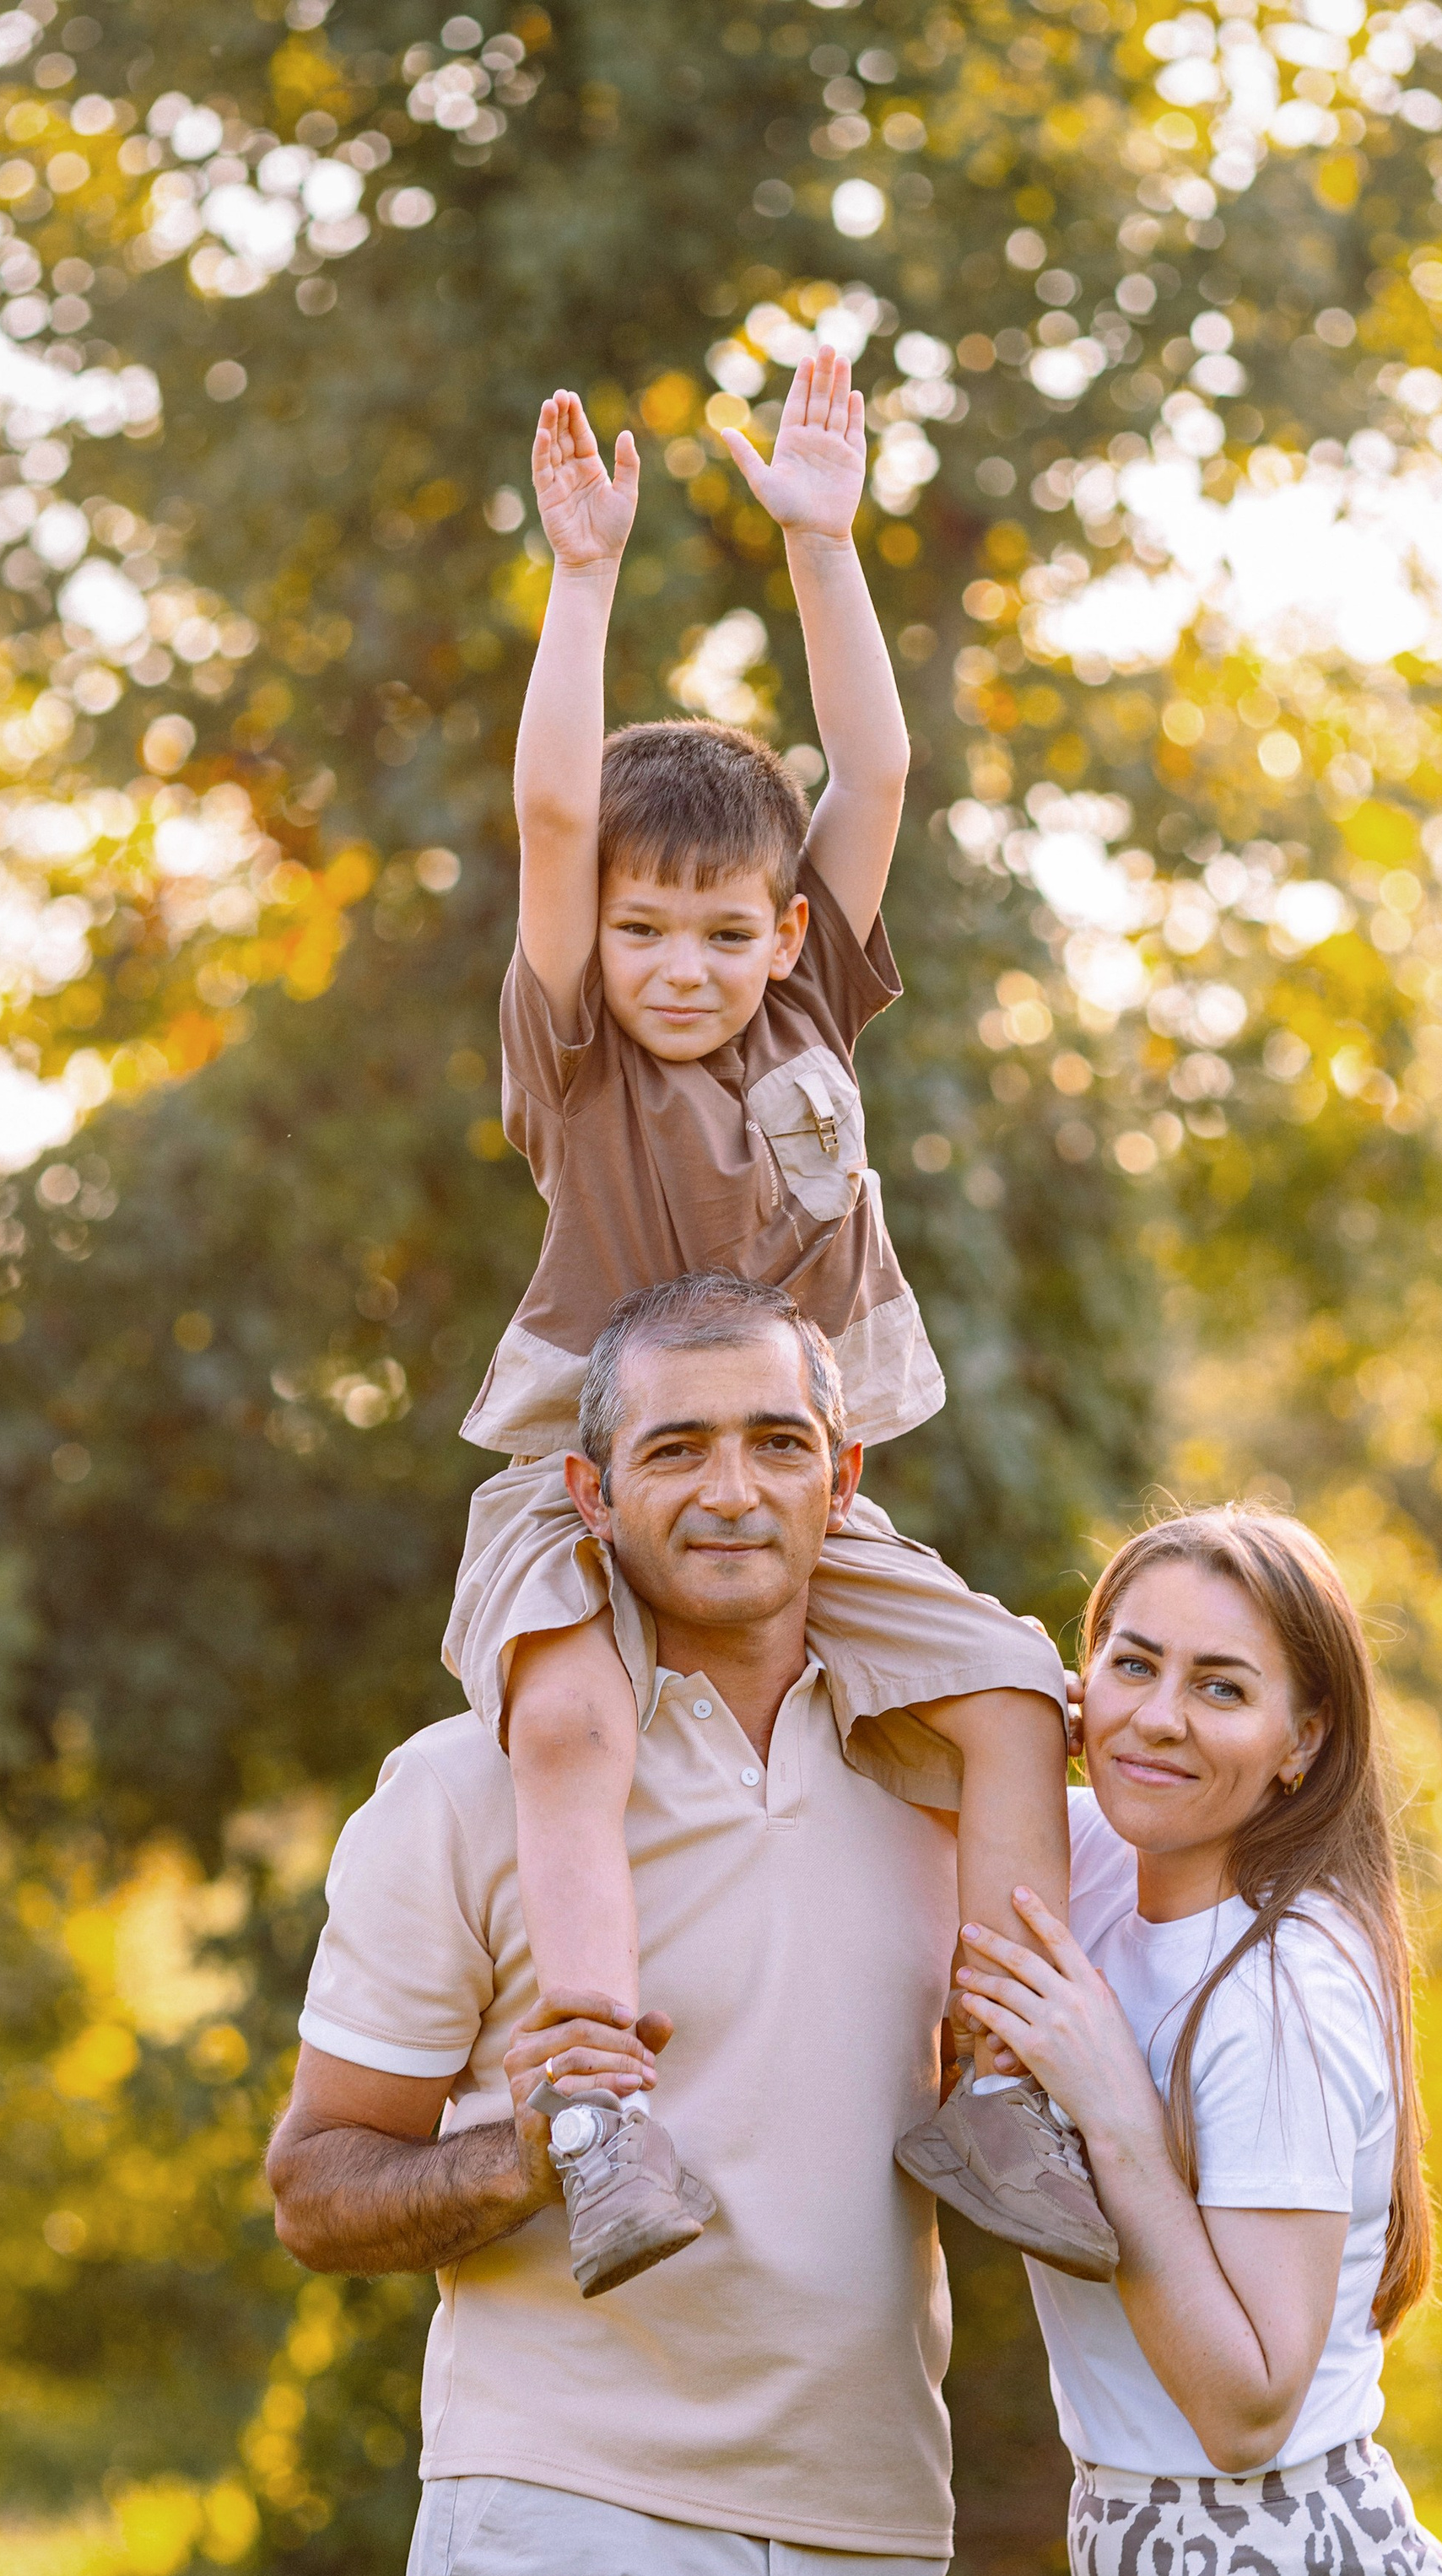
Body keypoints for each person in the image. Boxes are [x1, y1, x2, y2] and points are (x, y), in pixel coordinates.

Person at [439, 342, 1113, 2291]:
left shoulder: (806, 1004)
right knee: (562, 1706)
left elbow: (877, 770)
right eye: (650, 931)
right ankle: (599, 2108)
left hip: (794, 1489)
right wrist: (582, 587)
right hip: (594, 1471)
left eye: (724, 930)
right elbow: (557, 821)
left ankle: (988, 2081)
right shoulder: (569, 1046)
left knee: (1006, 1695)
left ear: (787, 935)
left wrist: (821, 545)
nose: (680, 964)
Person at [267, 1279, 971, 2576]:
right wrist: (513, 2154)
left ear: (842, 1475)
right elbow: (314, 2184)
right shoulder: (461, 1785)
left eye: (773, 1443)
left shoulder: (956, 1787)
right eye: (674, 1446)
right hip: (563, 2530)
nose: (728, 1488)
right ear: (588, 1493)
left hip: (870, 2533)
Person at [950, 1508, 1442, 2576]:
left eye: (1222, 1686)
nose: (1157, 1717)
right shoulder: (1093, 1873)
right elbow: (909, 1673)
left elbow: (1251, 2404)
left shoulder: (1277, 1987)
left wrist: (1115, 2116)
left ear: (1300, 1740)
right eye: (1129, 1664)